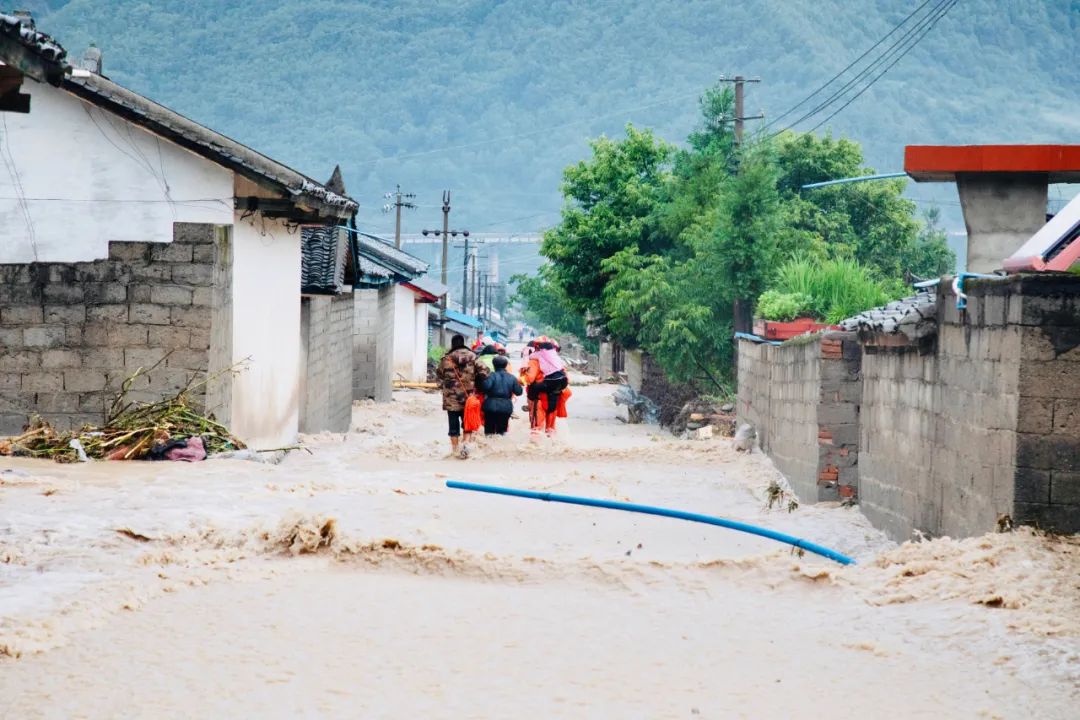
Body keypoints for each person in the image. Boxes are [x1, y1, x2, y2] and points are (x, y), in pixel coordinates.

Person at [435, 334, 489, 458]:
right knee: (467, 424)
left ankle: (455, 451)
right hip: (468, 399)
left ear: (453, 344)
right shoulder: (474, 357)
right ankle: (465, 446)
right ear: (463, 343)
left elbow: (439, 375)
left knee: (453, 427)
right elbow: (485, 372)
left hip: (451, 400)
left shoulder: (446, 359)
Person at [522, 336, 569, 437]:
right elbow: (566, 383)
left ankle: (535, 449)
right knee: (550, 429)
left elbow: (529, 379)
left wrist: (520, 379)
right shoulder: (558, 362)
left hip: (539, 400)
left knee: (536, 429)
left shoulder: (534, 361)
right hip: (554, 399)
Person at [480, 355, 523, 435]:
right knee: (502, 432)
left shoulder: (491, 376)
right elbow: (519, 392)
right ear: (506, 365)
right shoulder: (512, 378)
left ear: (493, 365)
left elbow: (485, 388)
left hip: (490, 406)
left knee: (489, 433)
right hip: (506, 407)